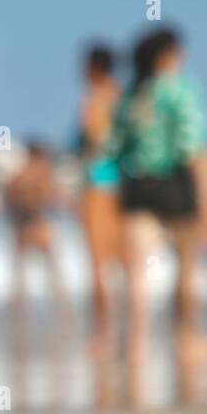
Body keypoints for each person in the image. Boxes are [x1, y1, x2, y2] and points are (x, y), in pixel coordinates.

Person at [102, 28, 207, 361]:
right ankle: (186, 340)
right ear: (167, 55)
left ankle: (135, 343)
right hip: (176, 185)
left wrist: (104, 190)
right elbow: (192, 145)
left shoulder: (131, 96)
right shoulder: (182, 89)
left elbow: (113, 151)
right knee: (186, 270)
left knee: (138, 273)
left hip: (137, 187)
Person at [74, 45, 123, 347]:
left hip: (98, 185)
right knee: (122, 262)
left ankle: (102, 332)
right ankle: (124, 329)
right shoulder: (124, 98)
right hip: (124, 184)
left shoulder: (92, 101)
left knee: (97, 263)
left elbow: (93, 140)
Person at [4, 140, 68, 314]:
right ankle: (63, 312)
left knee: (19, 274)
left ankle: (16, 313)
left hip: (21, 227)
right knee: (54, 271)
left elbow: (9, 200)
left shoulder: (18, 176)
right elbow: (53, 199)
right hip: (40, 225)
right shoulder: (43, 174)